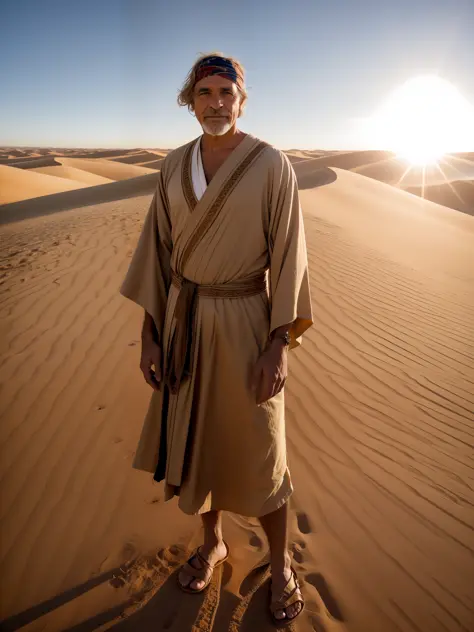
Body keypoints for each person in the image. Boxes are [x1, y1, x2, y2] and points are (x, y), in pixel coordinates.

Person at [120, 52, 313, 625]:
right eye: (204, 94)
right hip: (182, 320)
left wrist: (280, 343)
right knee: (194, 442)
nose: (215, 104)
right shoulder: (174, 166)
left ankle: (279, 566)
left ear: (241, 99)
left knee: (261, 448)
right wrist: (150, 333)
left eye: (225, 93)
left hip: (247, 322)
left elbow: (289, 257)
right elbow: (157, 252)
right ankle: (214, 544)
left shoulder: (271, 164)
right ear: (190, 100)